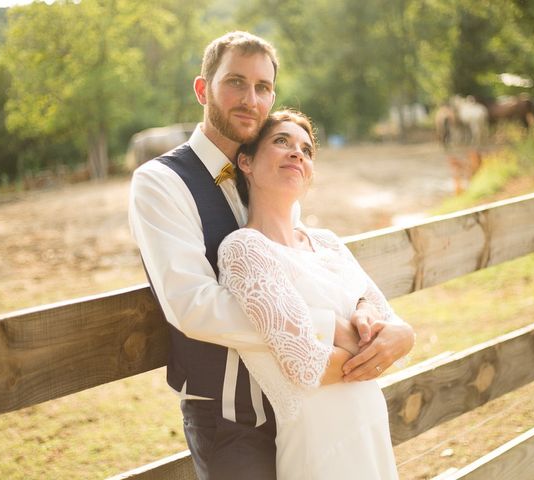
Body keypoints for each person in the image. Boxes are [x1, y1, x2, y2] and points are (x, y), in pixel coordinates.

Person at [128, 31, 414, 480]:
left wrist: (383, 322)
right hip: (230, 416)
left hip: (312, 400)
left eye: (262, 87)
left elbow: (306, 268)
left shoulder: (269, 170)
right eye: (235, 83)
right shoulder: (160, 182)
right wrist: (322, 330)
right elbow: (191, 304)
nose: (250, 99)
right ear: (203, 89)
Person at [217, 109, 406, 479]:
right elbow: (304, 365)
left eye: (306, 149)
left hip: (370, 427)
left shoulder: (328, 243)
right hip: (320, 447)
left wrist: (370, 314)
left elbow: (391, 321)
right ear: (247, 162)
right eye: (281, 142)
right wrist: (369, 339)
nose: (296, 153)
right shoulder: (244, 249)